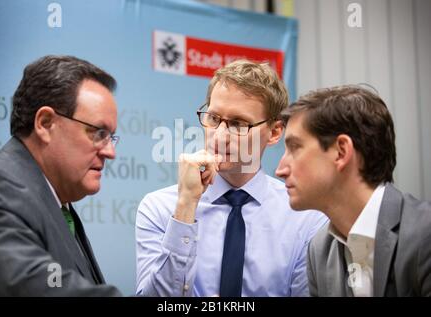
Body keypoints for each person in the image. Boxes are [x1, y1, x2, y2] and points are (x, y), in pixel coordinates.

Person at [135, 60, 328, 297]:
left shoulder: (306, 219)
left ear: (275, 132)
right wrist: (185, 208)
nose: (220, 135)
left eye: (238, 124)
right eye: (214, 119)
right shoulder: (161, 208)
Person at [0, 55, 122, 296]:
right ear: (45, 123)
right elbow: (34, 285)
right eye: (98, 133)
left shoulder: (60, 206)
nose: (111, 152)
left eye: (111, 137)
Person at [276, 85, 431, 297]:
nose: (280, 170)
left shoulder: (425, 235)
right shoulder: (319, 251)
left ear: (341, 151)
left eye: (295, 148)